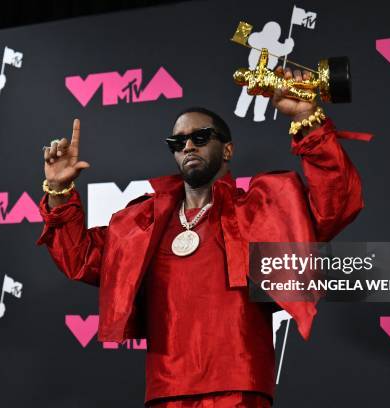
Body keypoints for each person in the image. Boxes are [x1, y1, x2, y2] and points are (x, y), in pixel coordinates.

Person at [36, 67, 369, 407]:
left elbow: (336, 205)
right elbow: (79, 257)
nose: (188, 146)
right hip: (167, 389)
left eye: (200, 137)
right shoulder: (144, 221)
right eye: (178, 142)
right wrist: (60, 190)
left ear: (227, 150)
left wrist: (308, 120)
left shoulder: (258, 210)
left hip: (239, 385)